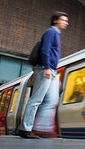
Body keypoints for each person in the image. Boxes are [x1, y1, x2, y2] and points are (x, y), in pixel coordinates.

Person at [18, 11, 68, 139]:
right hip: (45, 68)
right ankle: (25, 129)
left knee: (52, 100)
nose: (65, 23)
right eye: (63, 20)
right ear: (56, 20)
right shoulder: (50, 32)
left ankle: (42, 129)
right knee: (36, 100)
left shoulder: (56, 34)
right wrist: (46, 67)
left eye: (66, 21)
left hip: (52, 71)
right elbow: (45, 49)